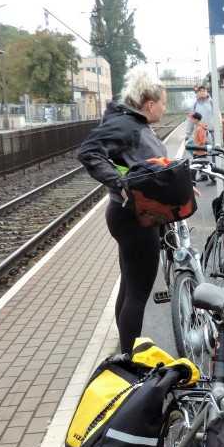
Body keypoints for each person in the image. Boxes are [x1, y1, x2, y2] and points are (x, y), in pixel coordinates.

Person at [76, 63, 169, 355]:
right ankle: (129, 360)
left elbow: (147, 167)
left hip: (131, 215)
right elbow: (88, 152)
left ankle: (123, 351)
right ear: (150, 104)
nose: (165, 109)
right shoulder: (126, 125)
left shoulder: (136, 124)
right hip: (134, 217)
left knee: (130, 285)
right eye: (164, 104)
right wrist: (121, 183)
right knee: (138, 293)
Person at [187, 112, 215, 184]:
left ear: (196, 119)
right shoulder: (197, 127)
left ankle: (192, 183)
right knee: (204, 166)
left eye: (192, 119)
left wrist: (195, 146)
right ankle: (211, 179)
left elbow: (203, 141)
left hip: (200, 152)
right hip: (198, 151)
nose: (191, 120)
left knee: (194, 167)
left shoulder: (199, 128)